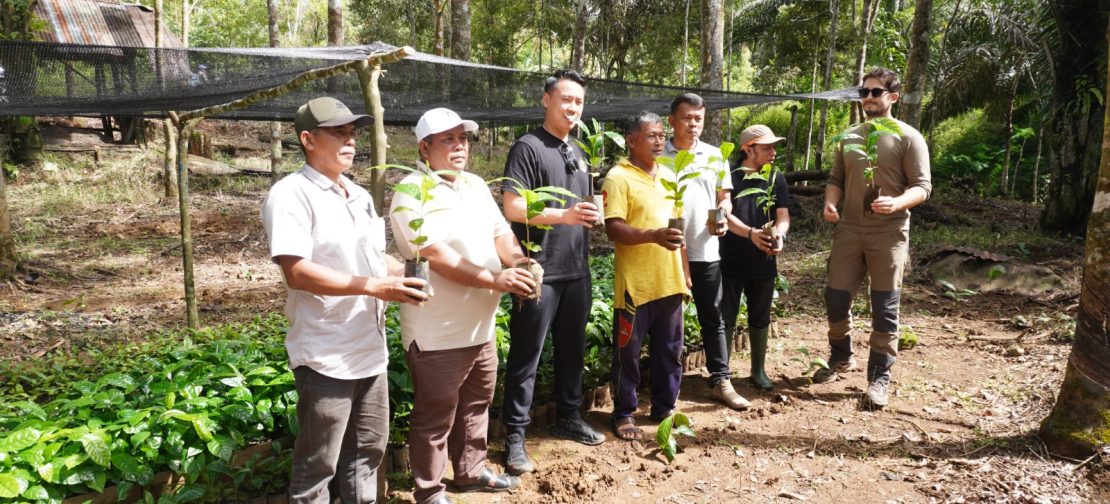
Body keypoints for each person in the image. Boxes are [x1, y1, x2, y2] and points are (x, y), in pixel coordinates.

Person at [260, 96, 429, 504]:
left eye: (352, 132)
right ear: (307, 139)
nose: (350, 141)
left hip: (369, 352)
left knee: (367, 454)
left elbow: (373, 259)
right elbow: (297, 271)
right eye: (339, 133)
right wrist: (374, 287)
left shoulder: (358, 195)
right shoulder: (291, 195)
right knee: (319, 465)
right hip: (326, 356)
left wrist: (412, 274)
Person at [390, 108, 535, 504]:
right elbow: (436, 255)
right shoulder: (410, 192)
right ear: (424, 147)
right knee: (436, 414)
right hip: (437, 331)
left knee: (476, 404)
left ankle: (470, 471)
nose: (460, 147)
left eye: (463, 139)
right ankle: (430, 490)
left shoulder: (473, 184)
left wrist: (519, 263)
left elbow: (500, 233)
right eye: (448, 140)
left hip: (480, 326)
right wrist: (494, 279)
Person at [500, 69, 605, 475]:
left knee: (572, 351)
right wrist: (564, 215)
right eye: (565, 99)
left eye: (578, 101)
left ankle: (569, 417)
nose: (573, 107)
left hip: (576, 268)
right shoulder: (527, 147)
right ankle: (514, 437)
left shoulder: (578, 151)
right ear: (546, 100)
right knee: (527, 355)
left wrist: (592, 211)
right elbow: (513, 208)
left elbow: (583, 206)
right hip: (538, 268)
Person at [813, 67, 932, 409]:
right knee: (835, 298)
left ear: (893, 97)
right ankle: (840, 356)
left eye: (876, 92)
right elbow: (836, 177)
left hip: (889, 233)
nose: (868, 97)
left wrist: (896, 202)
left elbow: (923, 187)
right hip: (849, 230)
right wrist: (830, 203)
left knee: (884, 307)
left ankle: (879, 376)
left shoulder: (908, 137)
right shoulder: (849, 136)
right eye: (864, 92)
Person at [602, 111, 689, 441]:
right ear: (632, 140)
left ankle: (665, 408)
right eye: (651, 135)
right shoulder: (618, 177)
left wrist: (685, 272)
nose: (659, 141)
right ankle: (624, 413)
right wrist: (652, 235)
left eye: (661, 135)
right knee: (628, 352)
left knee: (670, 350)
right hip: (635, 286)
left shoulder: (668, 175)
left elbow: (677, 230)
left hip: (670, 281)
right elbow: (614, 229)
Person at [664, 92, 748, 410]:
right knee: (666, 320)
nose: (693, 124)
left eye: (698, 118)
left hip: (705, 249)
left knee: (713, 317)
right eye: (687, 117)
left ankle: (721, 380)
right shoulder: (658, 154)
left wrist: (723, 213)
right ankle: (666, 386)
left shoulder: (715, 155)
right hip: (667, 251)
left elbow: (723, 196)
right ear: (672, 121)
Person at [720, 124, 792, 394]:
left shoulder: (775, 178)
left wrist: (780, 236)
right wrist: (750, 234)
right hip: (730, 257)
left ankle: (757, 370)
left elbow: (782, 214)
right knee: (725, 315)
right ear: (748, 149)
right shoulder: (729, 177)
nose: (773, 152)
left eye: (774, 146)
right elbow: (724, 212)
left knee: (760, 315)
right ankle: (722, 373)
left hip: (764, 259)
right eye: (767, 147)